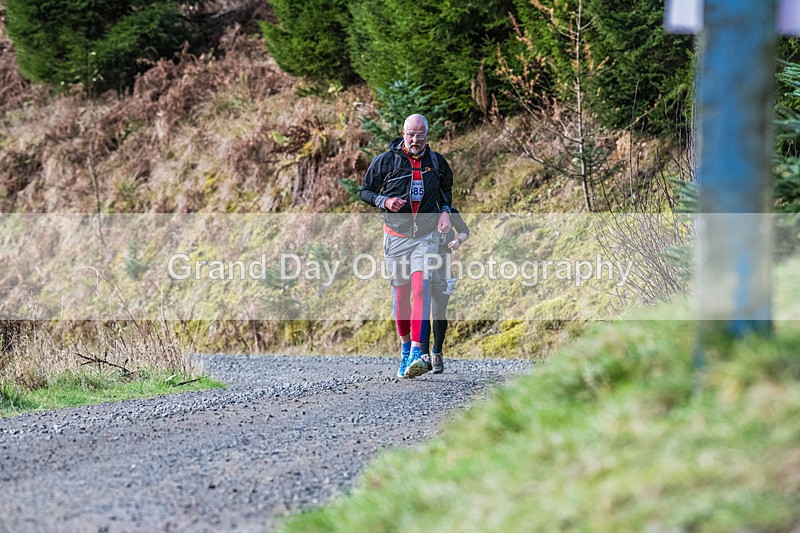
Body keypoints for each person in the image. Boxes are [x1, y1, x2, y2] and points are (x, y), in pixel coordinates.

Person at [359, 114, 454, 378]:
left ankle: (416, 353)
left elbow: (446, 190)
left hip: (426, 237)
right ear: (403, 133)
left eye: (420, 134)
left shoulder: (436, 162)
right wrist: (384, 201)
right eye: (410, 134)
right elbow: (365, 191)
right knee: (401, 296)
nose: (415, 139)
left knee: (421, 286)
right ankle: (404, 350)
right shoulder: (385, 162)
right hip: (396, 236)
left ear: (427, 134)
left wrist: (446, 211)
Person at [420, 207, 469, 374]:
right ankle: (423, 355)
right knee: (423, 312)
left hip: (444, 268)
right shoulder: (422, 209)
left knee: (439, 312)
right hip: (422, 266)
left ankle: (437, 353)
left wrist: (458, 241)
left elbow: (464, 230)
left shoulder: (450, 212)